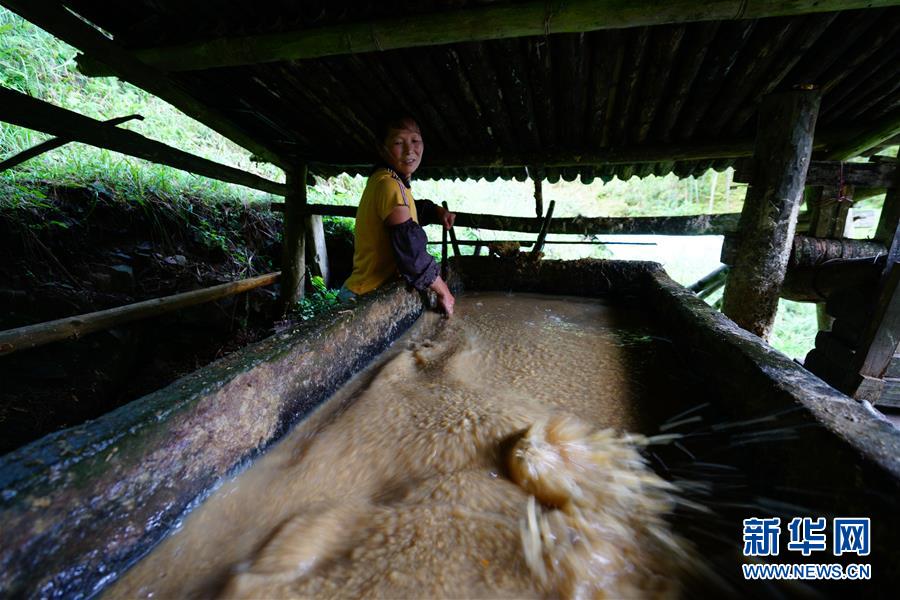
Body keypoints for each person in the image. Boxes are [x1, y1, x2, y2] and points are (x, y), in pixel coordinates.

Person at [340, 116, 456, 315]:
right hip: (364, 297)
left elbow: (405, 212)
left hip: (360, 292)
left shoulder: (386, 180)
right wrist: (443, 290)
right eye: (398, 142)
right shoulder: (389, 185)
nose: (410, 150)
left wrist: (436, 212)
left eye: (415, 141)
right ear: (382, 148)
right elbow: (411, 249)